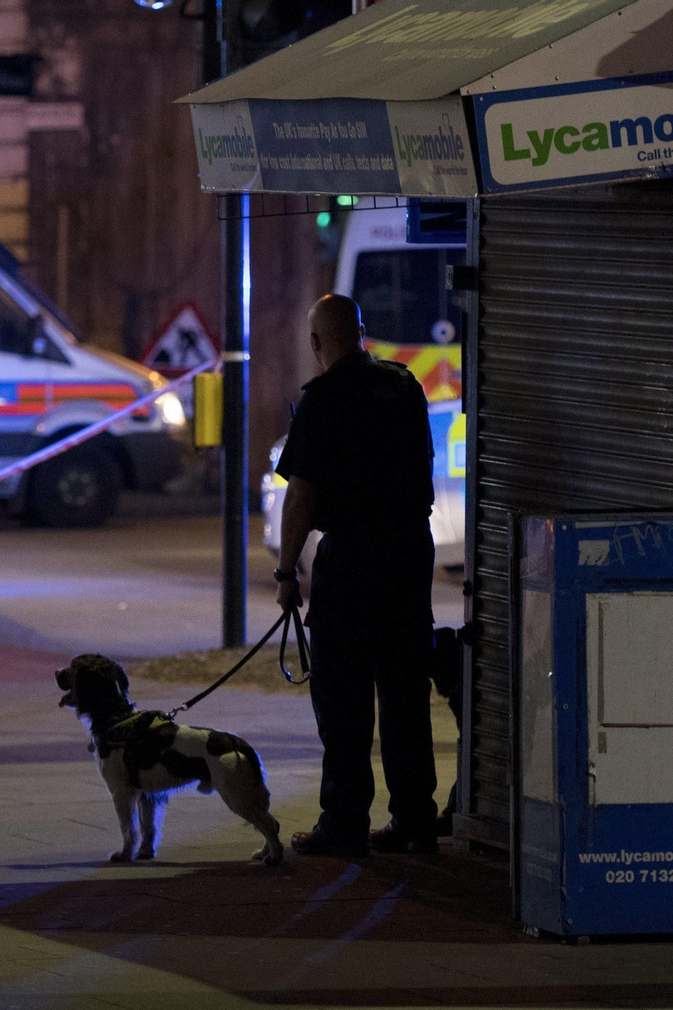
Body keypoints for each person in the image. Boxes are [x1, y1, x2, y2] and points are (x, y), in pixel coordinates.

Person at [274, 293, 439, 857]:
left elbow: (301, 494)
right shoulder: (405, 386)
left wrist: (285, 571)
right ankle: (415, 819)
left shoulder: (322, 401)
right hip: (409, 556)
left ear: (317, 343)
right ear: (363, 331)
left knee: (344, 699)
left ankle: (344, 823)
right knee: (404, 694)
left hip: (351, 563)